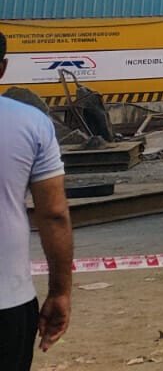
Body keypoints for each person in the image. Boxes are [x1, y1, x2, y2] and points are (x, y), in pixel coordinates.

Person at [2, 31, 73, 368]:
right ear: (2, 69)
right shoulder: (32, 124)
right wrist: (60, 292)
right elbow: (54, 214)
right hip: (8, 302)